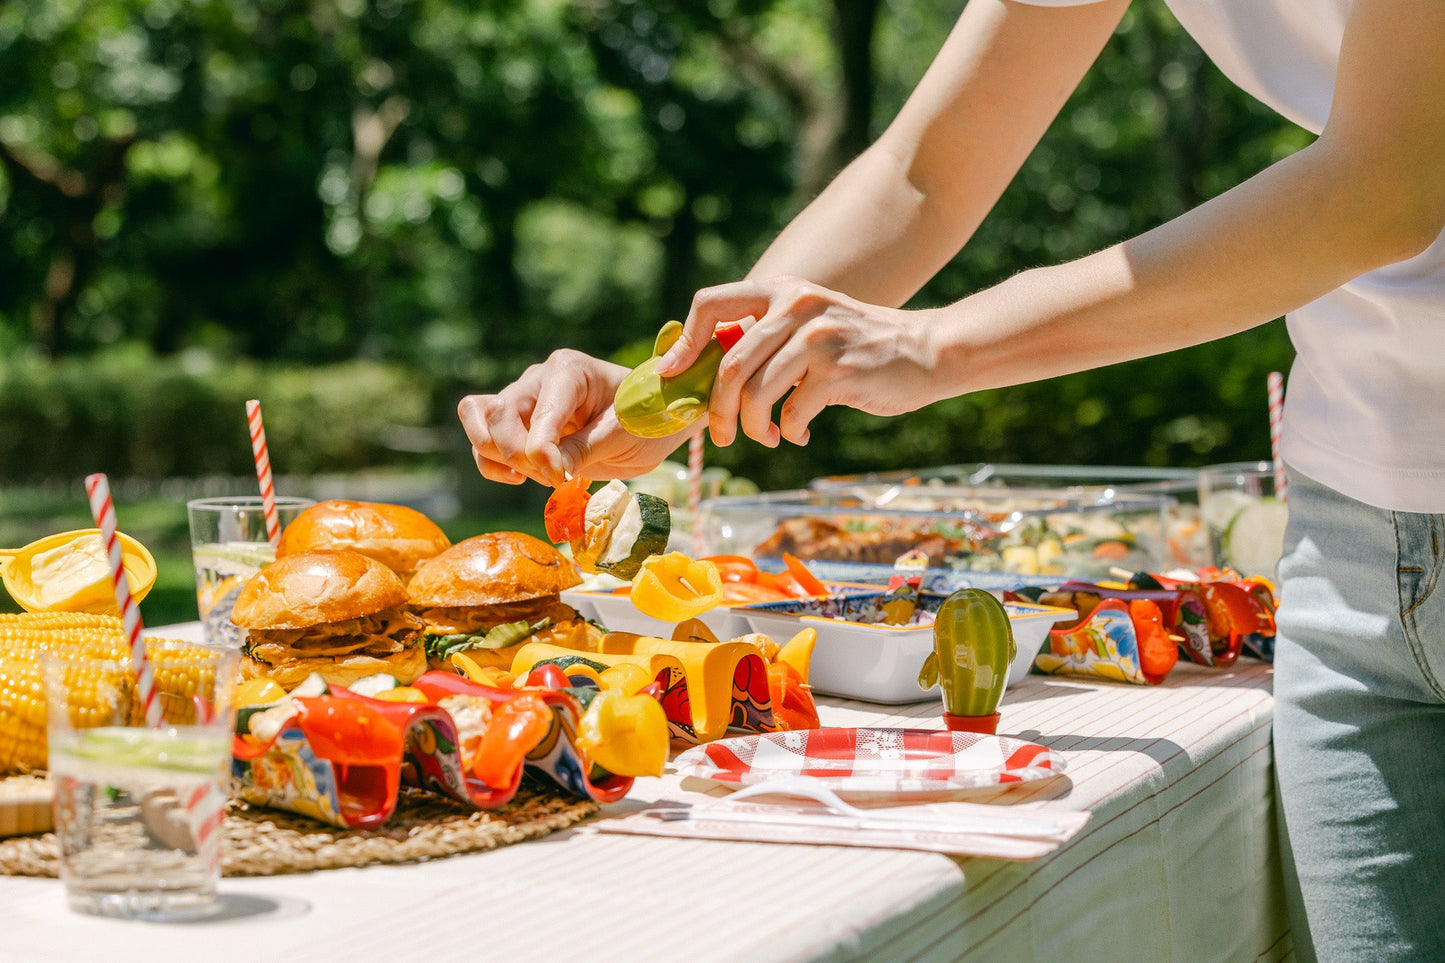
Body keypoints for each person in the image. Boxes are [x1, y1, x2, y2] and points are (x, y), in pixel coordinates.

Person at [459, 1, 1445, 958]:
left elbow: (1386, 183)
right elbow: (922, 175)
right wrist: (673, 389)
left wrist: (935, 346)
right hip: (1349, 536)